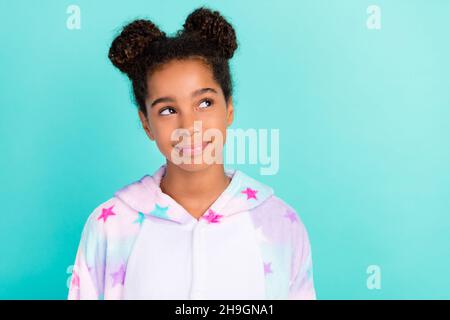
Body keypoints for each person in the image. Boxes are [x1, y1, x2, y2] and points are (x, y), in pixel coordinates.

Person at [68, 6, 316, 300]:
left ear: (229, 108)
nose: (190, 126)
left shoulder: (279, 223)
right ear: (146, 123)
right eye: (168, 110)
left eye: (205, 103)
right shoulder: (110, 226)